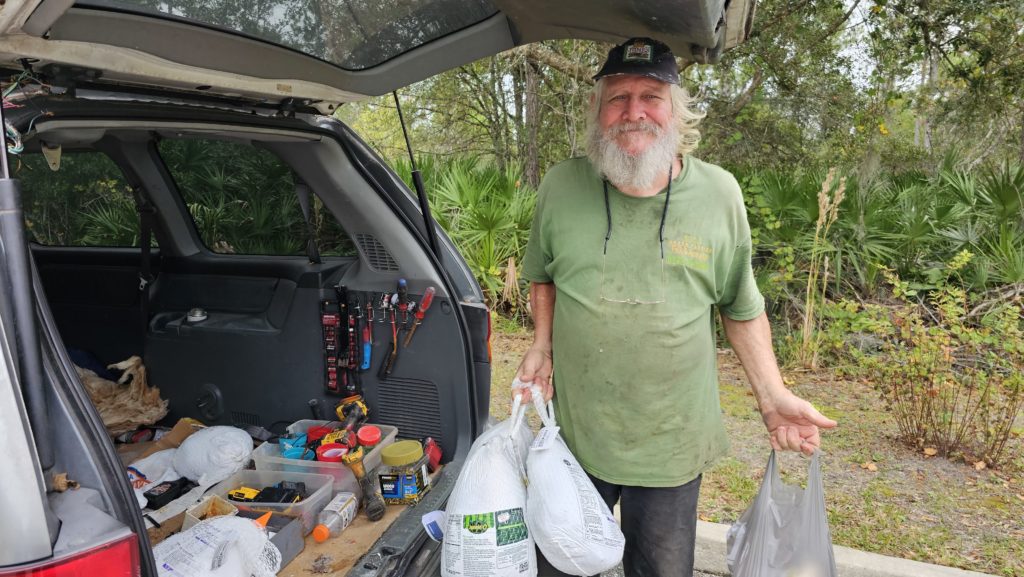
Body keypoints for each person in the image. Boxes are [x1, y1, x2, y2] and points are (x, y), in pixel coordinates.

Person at [516, 37, 838, 577]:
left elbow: (740, 305)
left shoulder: (719, 194)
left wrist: (771, 396)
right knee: (559, 568)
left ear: (676, 111)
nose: (633, 112)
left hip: (671, 445)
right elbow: (542, 275)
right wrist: (541, 345)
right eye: (617, 98)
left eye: (651, 97)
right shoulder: (561, 185)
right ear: (597, 112)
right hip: (574, 438)